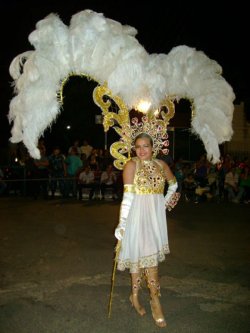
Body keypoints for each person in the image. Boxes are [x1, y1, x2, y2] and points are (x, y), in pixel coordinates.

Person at [114, 132, 180, 328]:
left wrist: (164, 204)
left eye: (145, 146)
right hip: (136, 218)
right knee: (139, 257)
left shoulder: (161, 165)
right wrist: (122, 224)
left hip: (154, 220)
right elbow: (127, 199)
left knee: (148, 257)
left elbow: (174, 185)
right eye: (138, 147)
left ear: (153, 147)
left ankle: (151, 298)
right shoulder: (131, 165)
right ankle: (142, 298)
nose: (141, 150)